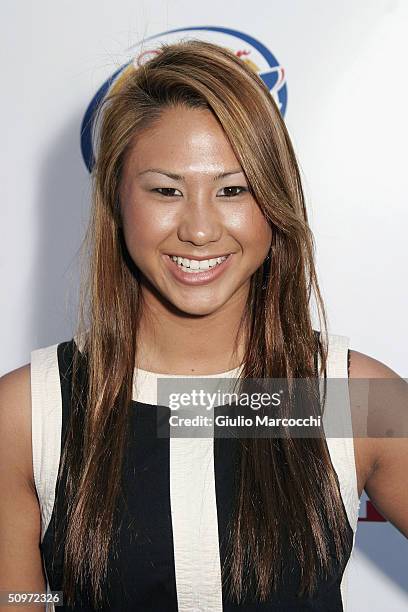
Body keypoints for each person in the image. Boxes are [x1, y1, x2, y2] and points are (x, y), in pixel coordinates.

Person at [0, 39, 407, 612]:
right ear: (117, 200)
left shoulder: (352, 399)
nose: (198, 228)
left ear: (275, 201)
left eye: (233, 190)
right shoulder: (28, 411)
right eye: (166, 190)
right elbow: (17, 597)